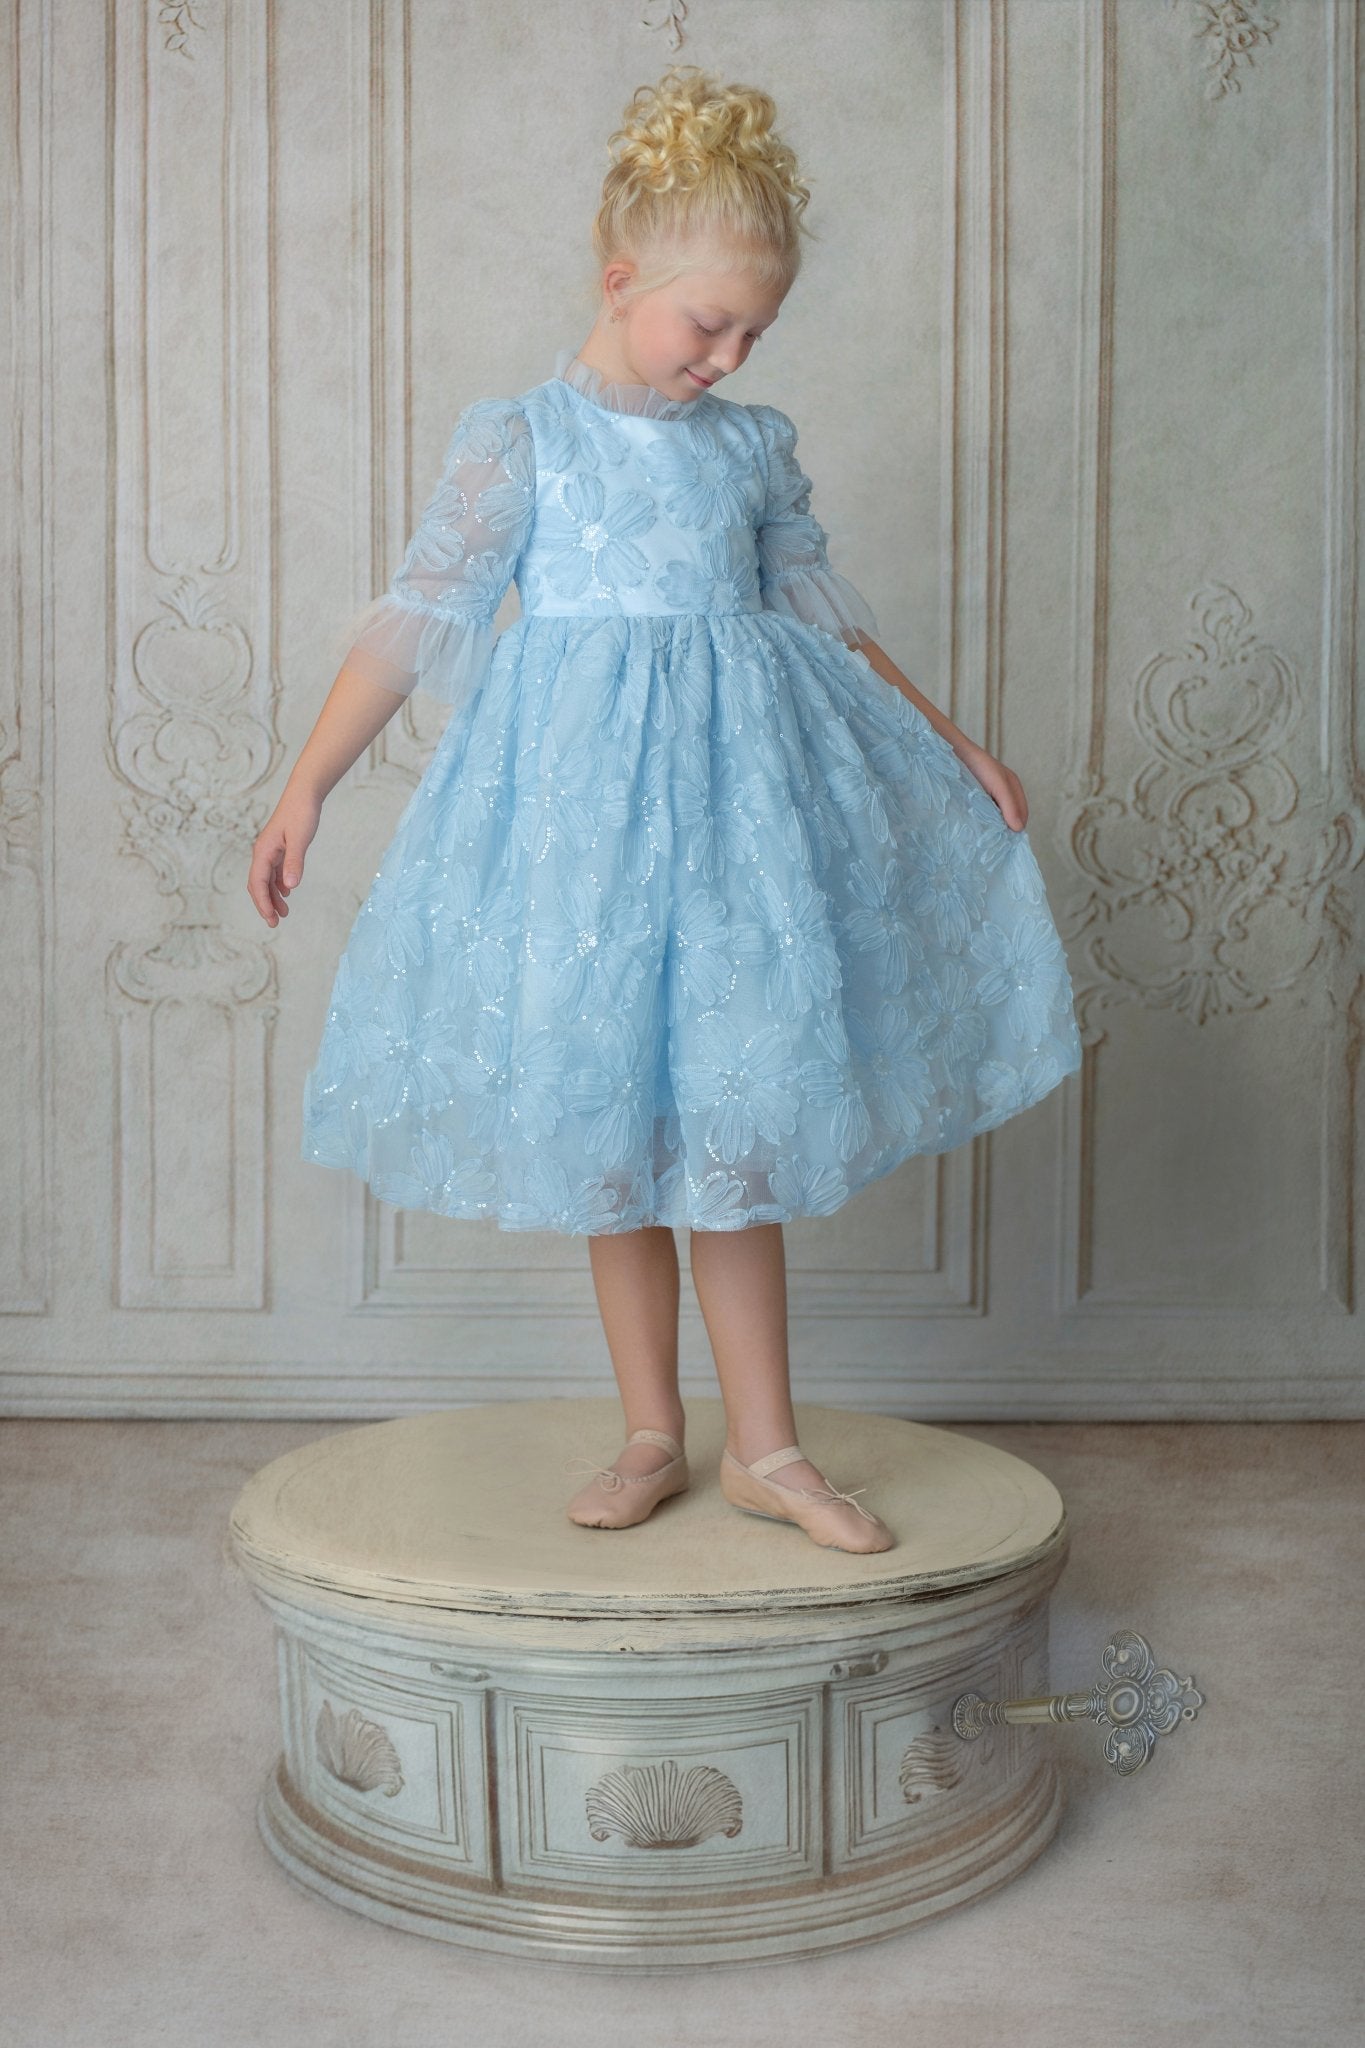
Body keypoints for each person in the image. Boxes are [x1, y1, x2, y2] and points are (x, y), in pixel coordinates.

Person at [246, 66, 1082, 1559]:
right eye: (708, 323)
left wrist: (953, 739)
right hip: (580, 832)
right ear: (620, 277)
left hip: (735, 828)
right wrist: (307, 782)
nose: (730, 355)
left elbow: (824, 616)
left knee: (733, 1132)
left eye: (756, 332)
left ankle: (767, 1448)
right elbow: (421, 617)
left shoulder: (749, 448)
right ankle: (651, 1430)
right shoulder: (522, 440)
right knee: (612, 1127)